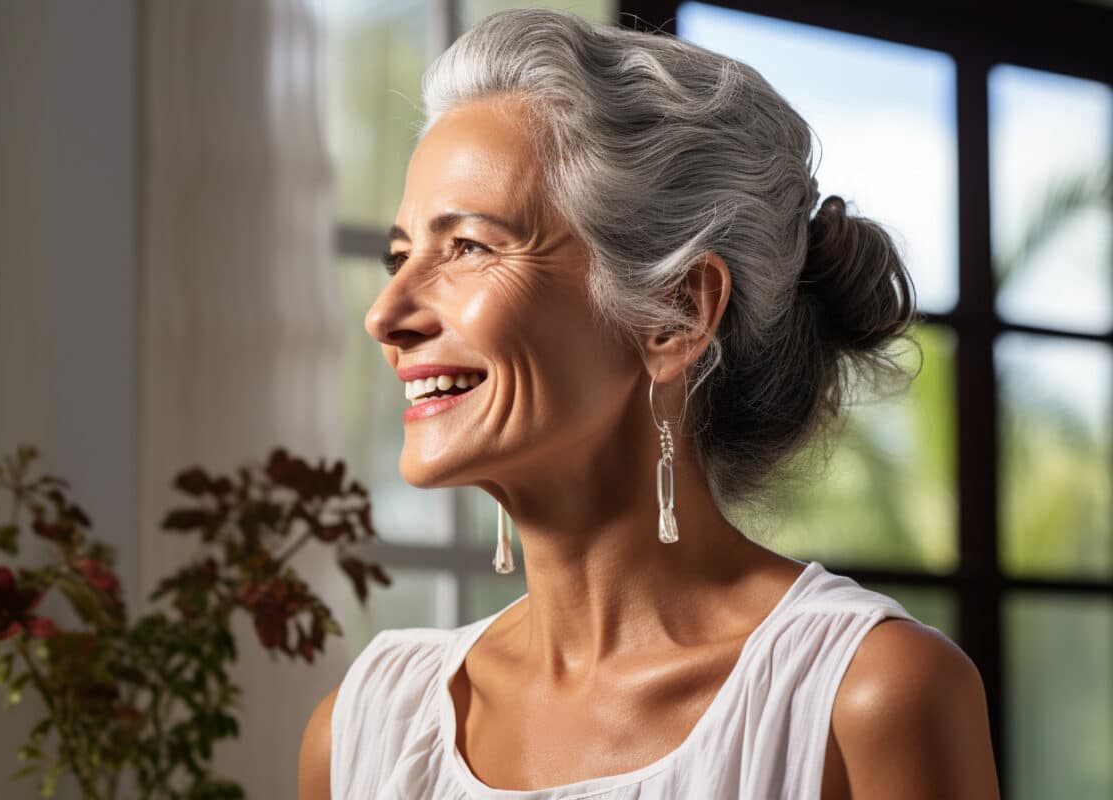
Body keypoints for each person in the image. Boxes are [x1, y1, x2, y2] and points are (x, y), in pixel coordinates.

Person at [300, 8, 1000, 799]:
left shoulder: (866, 698)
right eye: (402, 255)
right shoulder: (363, 728)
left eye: (468, 248)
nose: (386, 314)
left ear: (676, 314)